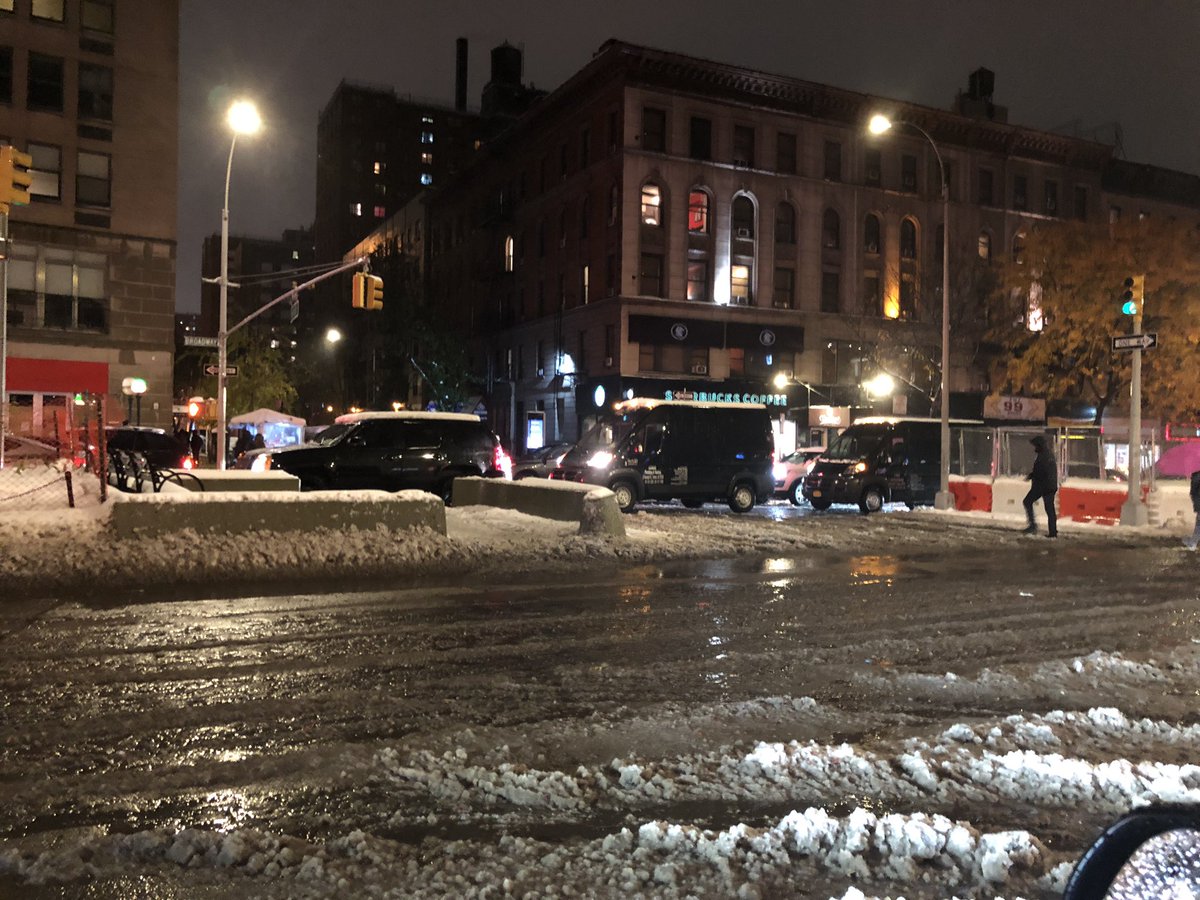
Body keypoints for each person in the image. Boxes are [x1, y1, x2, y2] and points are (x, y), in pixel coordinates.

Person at [1022, 435, 1058, 538]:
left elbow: (1041, 472)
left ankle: (1033, 525)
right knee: (1050, 509)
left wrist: (1032, 476)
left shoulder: (1043, 456)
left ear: (1039, 445)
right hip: (1050, 485)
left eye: (1035, 445)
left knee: (1027, 501)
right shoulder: (1047, 454)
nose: (1034, 448)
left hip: (1043, 486)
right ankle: (1053, 532)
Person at [1185, 469, 1200, 551]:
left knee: (1199, 524)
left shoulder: (1197, 474)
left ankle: (1193, 543)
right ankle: (1193, 542)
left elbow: (1193, 492)